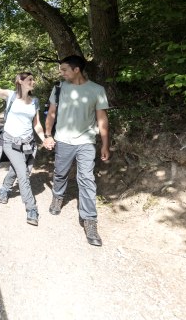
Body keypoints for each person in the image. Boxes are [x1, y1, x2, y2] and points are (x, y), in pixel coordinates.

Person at [42, 55, 110, 246]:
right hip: (63, 140)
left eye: (64, 69)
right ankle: (57, 197)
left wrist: (105, 144)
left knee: (86, 178)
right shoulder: (59, 88)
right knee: (60, 173)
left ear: (76, 69)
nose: (61, 73)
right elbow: (52, 113)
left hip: (86, 141)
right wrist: (48, 134)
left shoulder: (97, 90)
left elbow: (102, 119)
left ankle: (89, 220)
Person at [0, 71, 46, 226]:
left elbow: (36, 124)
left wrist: (44, 139)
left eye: (33, 79)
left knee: (17, 170)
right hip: (10, 142)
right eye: (30, 79)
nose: (33, 81)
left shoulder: (35, 101)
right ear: (20, 81)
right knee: (23, 173)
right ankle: (31, 209)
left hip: (28, 143)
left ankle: (4, 188)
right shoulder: (10, 96)